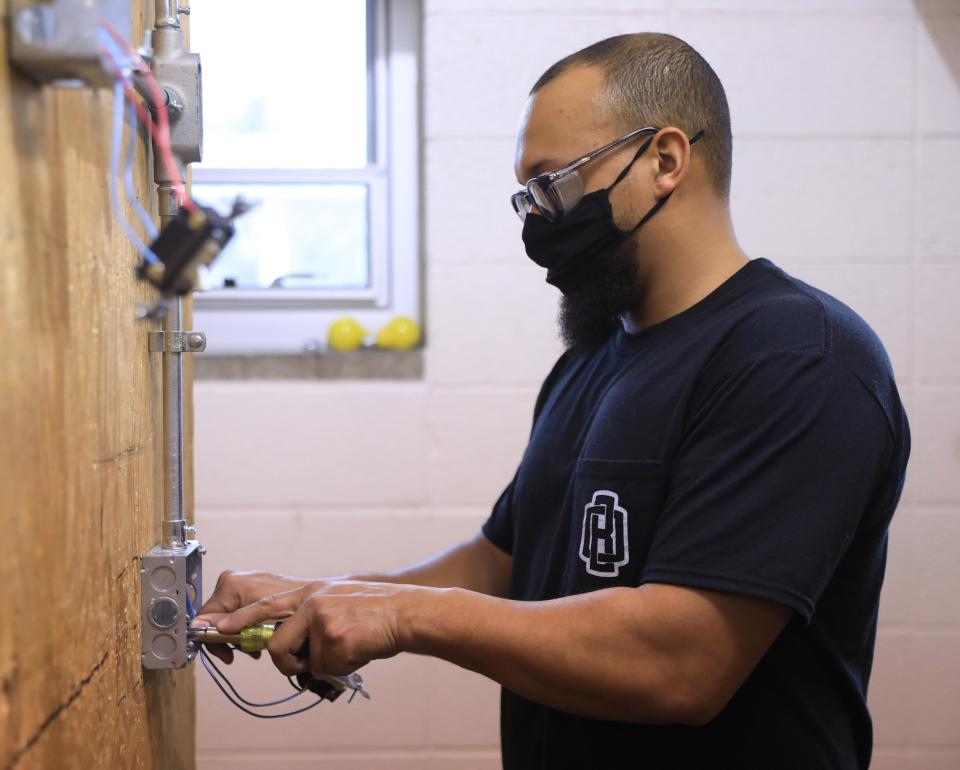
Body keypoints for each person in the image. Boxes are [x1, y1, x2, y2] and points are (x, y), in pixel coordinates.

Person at [195, 33, 910, 770]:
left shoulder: (798, 358)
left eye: (555, 184)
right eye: (526, 195)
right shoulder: (593, 361)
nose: (538, 219)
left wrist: (403, 616)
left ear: (666, 160)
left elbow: (681, 662)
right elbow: (502, 563)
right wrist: (322, 596)